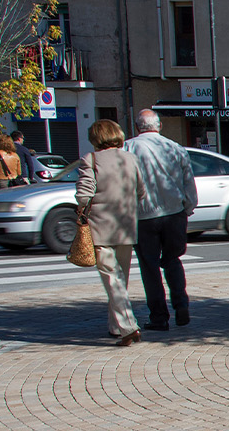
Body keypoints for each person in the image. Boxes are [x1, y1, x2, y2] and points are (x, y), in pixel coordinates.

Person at [126, 110, 199, 330]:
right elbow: (188, 181)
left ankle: (159, 316)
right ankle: (181, 304)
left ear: (137, 126)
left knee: (149, 267)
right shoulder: (174, 147)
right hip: (174, 213)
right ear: (159, 126)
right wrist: (188, 207)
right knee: (172, 260)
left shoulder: (128, 148)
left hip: (143, 216)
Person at [75, 119, 143, 346]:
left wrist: (81, 209)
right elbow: (141, 191)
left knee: (112, 278)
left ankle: (128, 326)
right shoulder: (130, 159)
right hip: (126, 226)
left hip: (101, 227)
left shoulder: (91, 159)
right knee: (120, 278)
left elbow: (84, 194)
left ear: (96, 137)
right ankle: (116, 326)